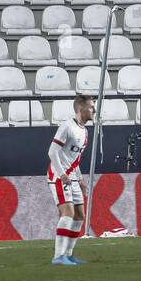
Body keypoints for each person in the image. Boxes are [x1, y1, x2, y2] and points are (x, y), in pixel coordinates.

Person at [48, 94, 94, 265]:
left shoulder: (85, 131)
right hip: (58, 175)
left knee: (80, 216)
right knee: (68, 212)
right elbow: (52, 152)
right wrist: (62, 174)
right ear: (80, 108)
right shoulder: (66, 127)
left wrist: (80, 179)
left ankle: (68, 254)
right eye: (90, 107)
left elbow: (74, 159)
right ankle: (58, 257)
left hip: (72, 176)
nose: (93, 110)